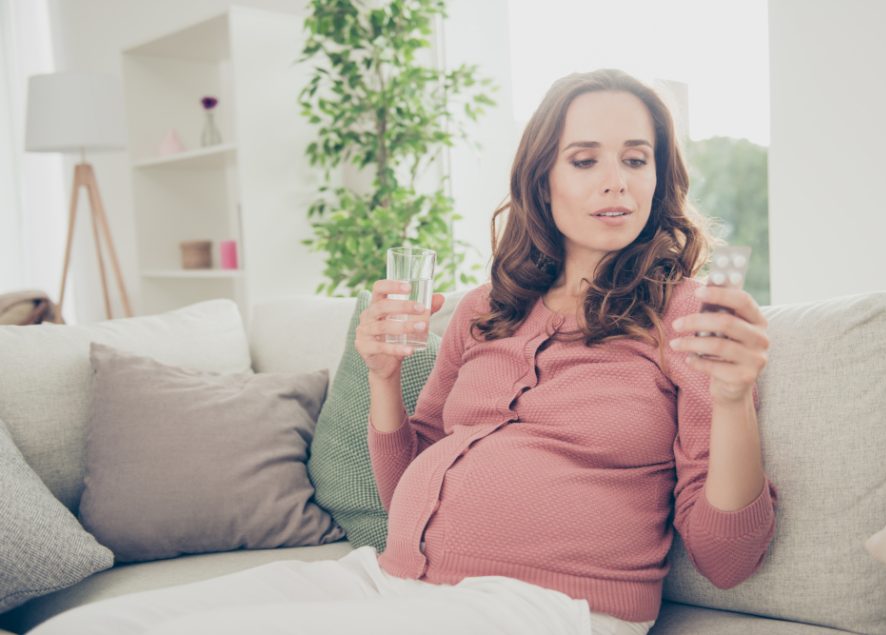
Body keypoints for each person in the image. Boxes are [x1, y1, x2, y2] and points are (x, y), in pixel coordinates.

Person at [31, 68, 776, 635]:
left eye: (636, 159)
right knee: (86, 625)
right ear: (542, 181)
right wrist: (384, 378)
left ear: (659, 175)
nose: (617, 179)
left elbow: (727, 557)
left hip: (545, 606)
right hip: (397, 579)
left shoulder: (687, 318)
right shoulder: (486, 309)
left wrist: (736, 399)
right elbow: (401, 491)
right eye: (585, 159)